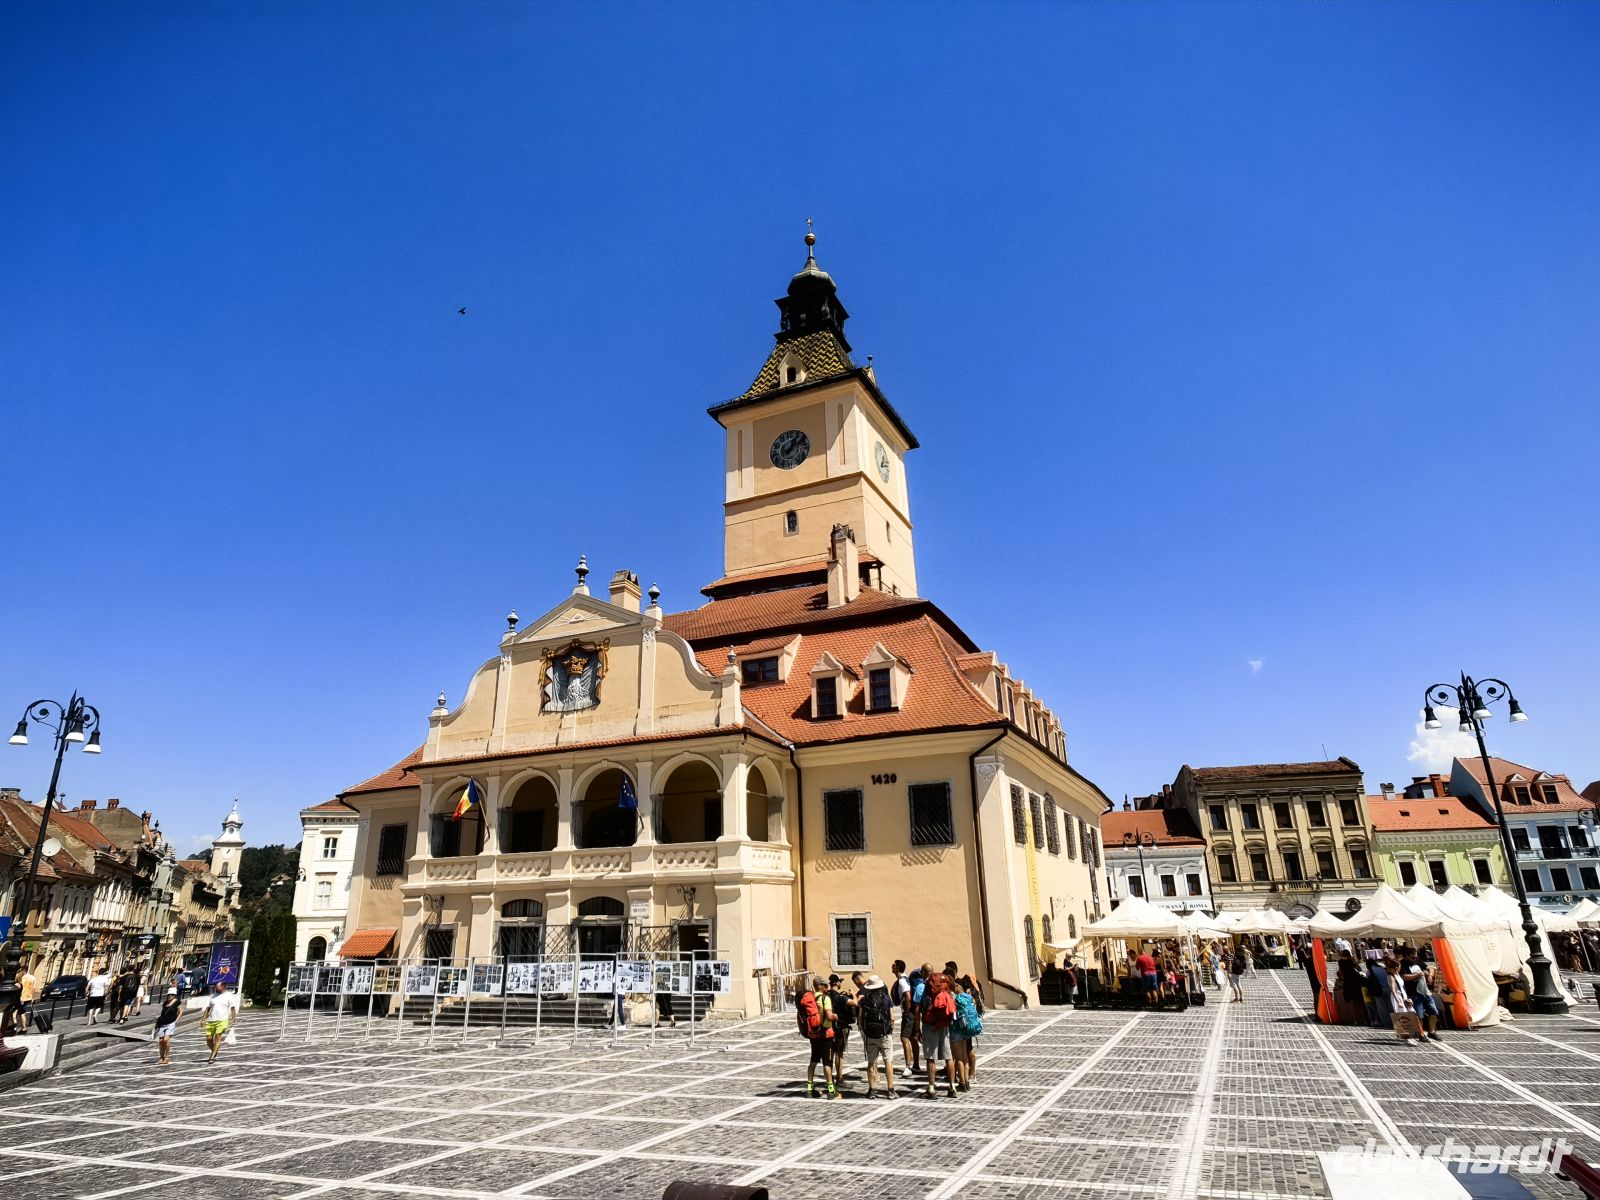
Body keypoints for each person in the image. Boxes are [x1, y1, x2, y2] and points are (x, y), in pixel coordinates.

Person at [919, 970, 959, 1099]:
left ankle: (931, 1088)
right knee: (948, 1057)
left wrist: (917, 1029)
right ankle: (952, 1087)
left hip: (930, 1025)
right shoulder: (946, 990)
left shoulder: (926, 990)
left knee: (931, 1058)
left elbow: (920, 1009)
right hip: (944, 1024)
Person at [857, 973, 898, 1099]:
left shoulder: (864, 999)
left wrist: (863, 1030)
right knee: (888, 1061)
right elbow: (892, 1016)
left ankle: (871, 1090)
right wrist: (891, 1028)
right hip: (884, 1033)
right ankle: (890, 1090)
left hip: (870, 1035)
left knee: (871, 1062)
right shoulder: (886, 998)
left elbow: (860, 1016)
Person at [796, 976, 836, 1099]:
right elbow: (829, 1016)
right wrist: (836, 1017)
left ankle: (809, 1089)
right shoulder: (825, 998)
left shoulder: (811, 998)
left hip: (814, 1035)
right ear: (819, 986)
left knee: (813, 1061)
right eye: (824, 985)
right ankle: (831, 1090)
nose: (827, 987)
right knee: (827, 1063)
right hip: (826, 1035)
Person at [950, 978, 983, 1091]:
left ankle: (962, 1083)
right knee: (965, 1057)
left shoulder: (954, 998)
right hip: (966, 1029)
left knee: (958, 1058)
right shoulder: (968, 997)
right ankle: (967, 1082)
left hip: (956, 1029)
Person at [1400, 953, 1442, 1041]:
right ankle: (1421, 1034)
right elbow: (1404, 977)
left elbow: (1430, 968)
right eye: (1412, 957)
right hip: (1414, 993)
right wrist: (1417, 975)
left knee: (1433, 1011)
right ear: (1406, 956)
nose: (1414, 959)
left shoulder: (1418, 961)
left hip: (1425, 991)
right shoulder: (1402, 964)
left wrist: (1430, 974)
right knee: (1419, 1015)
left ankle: (1432, 1031)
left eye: (1415, 957)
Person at [827, 973, 856, 1085]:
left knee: (831, 1053)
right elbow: (854, 1003)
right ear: (837, 983)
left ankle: (829, 1079)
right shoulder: (840, 997)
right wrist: (853, 995)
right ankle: (839, 1078)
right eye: (840, 982)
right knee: (839, 1054)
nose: (840, 984)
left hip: (829, 1027)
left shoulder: (826, 996)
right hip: (840, 1028)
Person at [895, 963, 922, 1077]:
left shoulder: (902, 980)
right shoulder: (907, 978)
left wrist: (906, 1010)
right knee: (912, 1038)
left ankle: (908, 1066)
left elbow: (907, 995)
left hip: (908, 1013)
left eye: (894, 965)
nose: (892, 966)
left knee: (904, 1038)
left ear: (897, 968)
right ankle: (916, 1065)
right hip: (912, 1012)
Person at [202, 983, 235, 1065]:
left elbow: (232, 1007)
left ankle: (212, 1056)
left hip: (222, 1020)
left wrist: (233, 1018)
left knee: (218, 1037)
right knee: (209, 1038)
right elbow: (208, 1008)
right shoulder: (213, 996)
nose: (216, 988)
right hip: (211, 1020)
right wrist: (203, 1019)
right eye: (216, 987)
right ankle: (214, 1050)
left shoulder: (228, 996)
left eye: (218, 987)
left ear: (223, 987)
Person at [153, 987, 182, 1067]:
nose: (169, 996)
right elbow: (162, 1014)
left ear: (174, 995)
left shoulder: (177, 1002)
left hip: (171, 1023)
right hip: (162, 1023)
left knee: (166, 1039)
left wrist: (176, 1021)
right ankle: (161, 1057)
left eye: (171, 995)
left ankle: (167, 1056)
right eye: (168, 995)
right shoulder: (165, 1003)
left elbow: (180, 1012)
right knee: (161, 1041)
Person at [1365, 954, 1394, 1030]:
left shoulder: (1370, 970)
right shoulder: (1382, 968)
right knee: (1390, 1006)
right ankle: (1393, 1022)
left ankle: (1386, 1024)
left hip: (1379, 990)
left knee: (1382, 1008)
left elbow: (1367, 980)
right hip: (1388, 988)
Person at [19, 967, 38, 1032]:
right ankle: (23, 1027)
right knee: (21, 1011)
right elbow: (34, 988)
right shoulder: (33, 977)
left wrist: (20, 998)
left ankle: (22, 1027)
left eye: (20, 971)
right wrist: (32, 997)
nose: (20, 973)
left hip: (22, 997)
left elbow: (22, 988)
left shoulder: (24, 977)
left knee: (20, 1012)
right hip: (29, 997)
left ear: (23, 971)